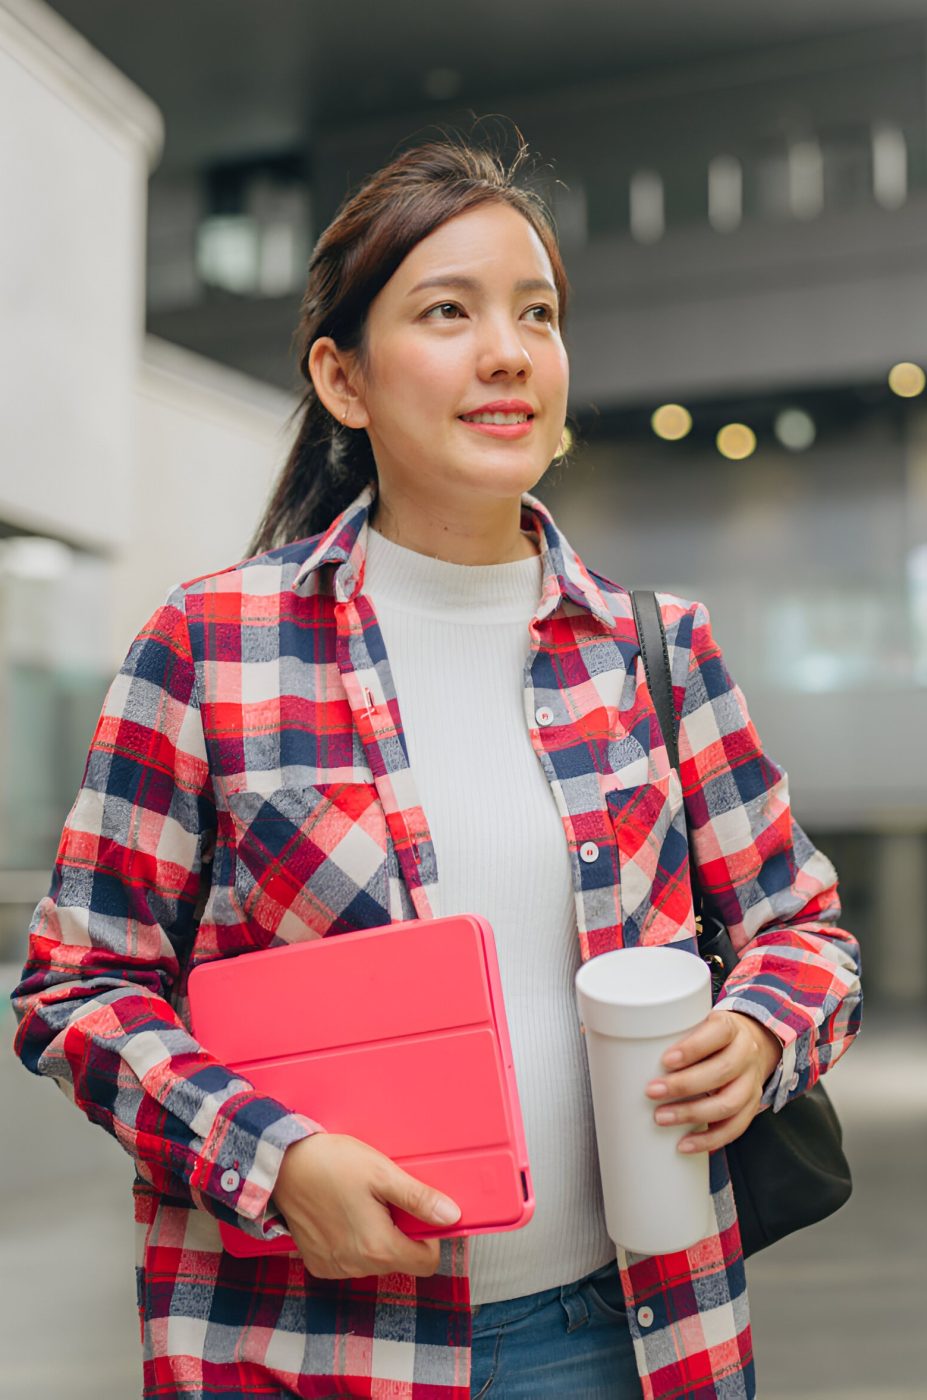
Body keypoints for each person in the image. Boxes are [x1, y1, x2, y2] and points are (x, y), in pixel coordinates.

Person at [10, 136, 862, 1400]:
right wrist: (274, 1159)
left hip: (637, 1338)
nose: (507, 349)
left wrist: (758, 1029)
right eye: (447, 311)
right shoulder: (209, 648)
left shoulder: (657, 649)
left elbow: (805, 932)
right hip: (316, 1347)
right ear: (341, 378)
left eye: (536, 314)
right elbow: (77, 988)